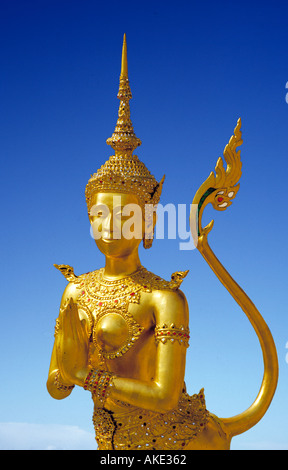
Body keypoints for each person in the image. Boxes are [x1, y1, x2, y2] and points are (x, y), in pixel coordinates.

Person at [47, 35, 278, 451]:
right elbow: (57, 385)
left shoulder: (164, 298)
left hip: (180, 439)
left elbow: (164, 397)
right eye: (98, 217)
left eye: (123, 217)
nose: (108, 227)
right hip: (111, 440)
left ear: (147, 222)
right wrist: (65, 365)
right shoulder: (76, 290)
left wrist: (86, 376)